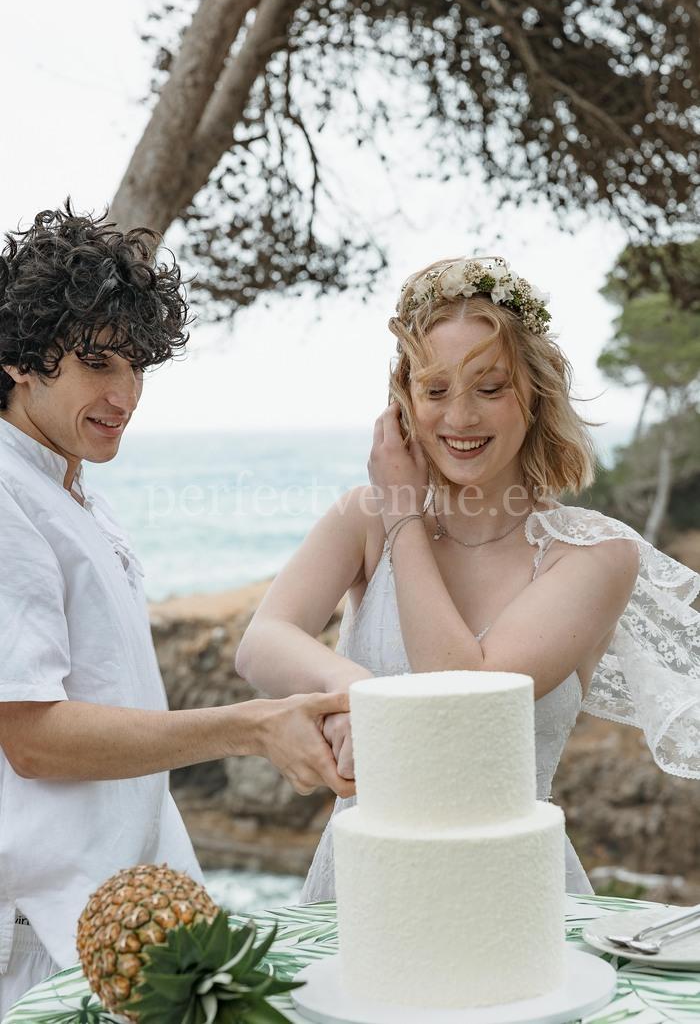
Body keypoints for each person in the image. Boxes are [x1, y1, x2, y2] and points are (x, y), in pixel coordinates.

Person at [237, 255, 700, 903]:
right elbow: (260, 643)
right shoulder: (361, 517)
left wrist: (404, 519)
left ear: (534, 395)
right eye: (435, 390)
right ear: (404, 402)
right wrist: (356, 693)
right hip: (364, 882)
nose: (460, 417)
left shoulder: (593, 556)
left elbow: (464, 697)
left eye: (490, 388)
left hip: (509, 888)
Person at [0, 204, 354, 1016]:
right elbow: (30, 738)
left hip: (132, 914)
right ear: (18, 357)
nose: (124, 394)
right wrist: (253, 726)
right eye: (97, 362)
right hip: (47, 938)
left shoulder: (72, 490)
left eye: (136, 366)